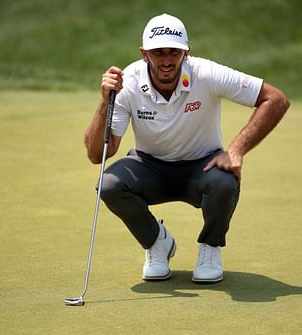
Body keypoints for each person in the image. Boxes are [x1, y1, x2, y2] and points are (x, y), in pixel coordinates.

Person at [84, 13, 289, 283]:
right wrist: (104, 102)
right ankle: (157, 244)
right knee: (109, 183)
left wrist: (236, 149)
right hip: (149, 167)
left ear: (187, 53)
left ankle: (210, 249)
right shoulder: (128, 83)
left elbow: (275, 100)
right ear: (144, 53)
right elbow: (97, 153)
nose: (167, 61)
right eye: (158, 53)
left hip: (202, 167)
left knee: (224, 182)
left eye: (174, 52)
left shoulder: (206, 73)